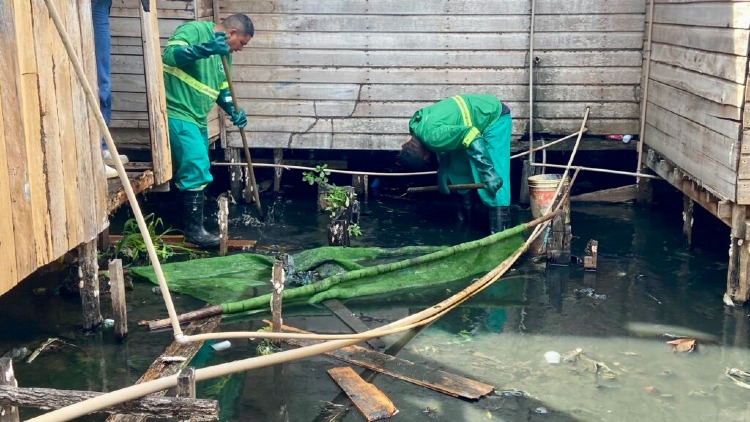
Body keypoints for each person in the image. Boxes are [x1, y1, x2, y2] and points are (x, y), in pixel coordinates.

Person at [162, 14, 253, 248]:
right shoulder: (193, 31)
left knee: (198, 167)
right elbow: (170, 55)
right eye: (241, 43)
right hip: (177, 110)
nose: (240, 49)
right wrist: (205, 49)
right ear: (231, 33)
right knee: (195, 165)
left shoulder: (224, 54)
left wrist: (233, 109)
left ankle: (185, 225)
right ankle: (194, 232)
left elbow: (222, 87)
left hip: (197, 116)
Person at [399, 94, 512, 233]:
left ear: (425, 157)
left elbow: (471, 135)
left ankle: (500, 235)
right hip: (467, 124)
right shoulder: (416, 128)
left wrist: (488, 172)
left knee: (495, 183)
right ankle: (467, 226)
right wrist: (444, 168)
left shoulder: (432, 137)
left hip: (492, 117)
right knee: (458, 172)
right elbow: (445, 140)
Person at [91, 0, 129, 179]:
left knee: (103, 80)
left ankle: (102, 145)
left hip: (101, 6)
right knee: (96, 79)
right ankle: (94, 152)